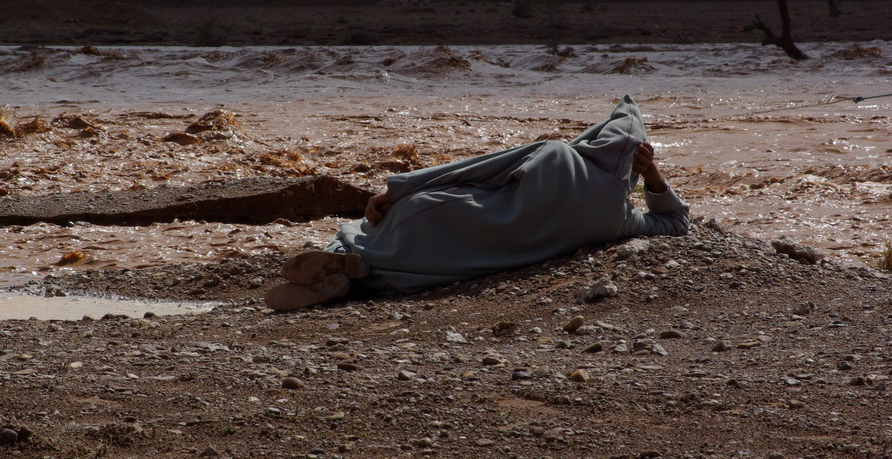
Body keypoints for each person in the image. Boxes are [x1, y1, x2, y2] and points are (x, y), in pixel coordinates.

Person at [265, 95, 689, 311]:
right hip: (467, 255)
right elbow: (674, 224)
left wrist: (395, 192)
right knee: (416, 273)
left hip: (441, 214)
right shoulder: (618, 218)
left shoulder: (557, 153)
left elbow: (469, 170)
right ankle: (354, 283)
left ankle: (343, 258)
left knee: (361, 231)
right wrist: (652, 176)